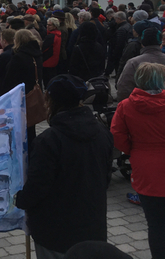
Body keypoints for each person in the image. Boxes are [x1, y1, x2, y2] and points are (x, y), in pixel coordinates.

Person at [15, 74, 113, 259]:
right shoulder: (102, 133)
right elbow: (105, 177)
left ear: (51, 101)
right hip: (93, 226)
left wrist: (19, 199)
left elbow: (37, 187)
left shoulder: (49, 141)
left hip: (55, 232)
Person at [111, 62, 165, 259]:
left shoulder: (126, 106)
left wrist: (133, 150)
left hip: (144, 167)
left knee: (156, 224)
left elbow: (117, 134)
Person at [2, 29, 43, 147]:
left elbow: (9, 79)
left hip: (20, 96)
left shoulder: (18, 57)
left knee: (20, 128)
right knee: (31, 126)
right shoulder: (37, 55)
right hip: (32, 94)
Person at [117, 26, 165, 101]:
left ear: (142, 43)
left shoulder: (134, 62)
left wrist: (130, 104)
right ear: (160, 42)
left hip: (140, 105)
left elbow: (124, 88)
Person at [42, 17, 62, 87]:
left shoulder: (51, 36)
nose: (47, 26)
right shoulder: (58, 34)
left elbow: (43, 49)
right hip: (54, 60)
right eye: (47, 24)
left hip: (47, 61)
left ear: (55, 26)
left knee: (47, 81)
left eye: (49, 25)